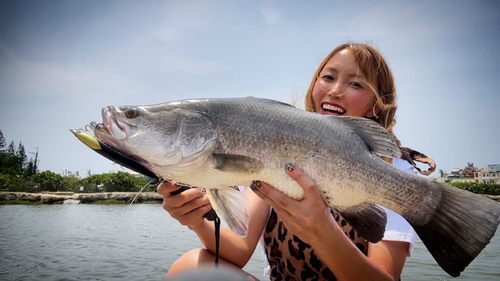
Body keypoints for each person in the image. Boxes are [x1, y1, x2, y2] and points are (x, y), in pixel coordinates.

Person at [157, 42, 434, 281]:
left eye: (356, 84)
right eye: (328, 77)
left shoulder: (395, 171)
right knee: (190, 266)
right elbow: (240, 252)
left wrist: (322, 232)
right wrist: (196, 222)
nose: (335, 90)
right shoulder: (272, 149)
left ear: (377, 103)